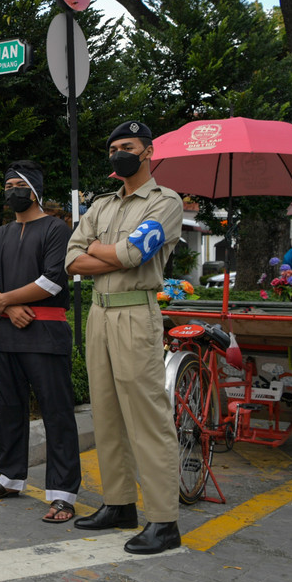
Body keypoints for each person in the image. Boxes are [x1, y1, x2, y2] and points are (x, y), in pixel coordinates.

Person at [65, 119, 183, 555]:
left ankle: (163, 519)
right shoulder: (101, 205)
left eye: (128, 146)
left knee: (147, 418)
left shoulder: (165, 201)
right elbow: (71, 260)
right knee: (106, 413)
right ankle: (118, 504)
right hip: (99, 315)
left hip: (137, 313)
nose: (119, 153)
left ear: (148, 151)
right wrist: (106, 253)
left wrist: (99, 250)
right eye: (114, 147)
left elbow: (136, 254)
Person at [0, 161, 81, 523]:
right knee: (9, 410)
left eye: (19, 184)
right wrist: (3, 303)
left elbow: (53, 280)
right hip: (7, 334)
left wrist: (5, 300)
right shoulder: (1, 235)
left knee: (57, 413)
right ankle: (10, 477)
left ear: (34, 189)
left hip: (46, 335)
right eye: (8, 185)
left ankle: (63, 494)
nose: (12, 191)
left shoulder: (55, 229)